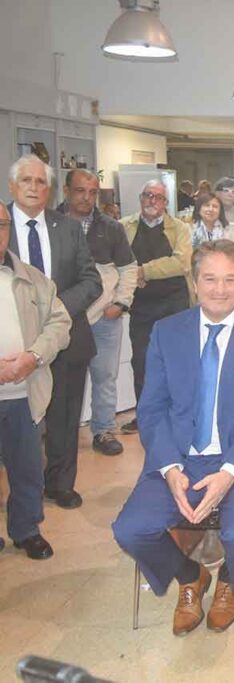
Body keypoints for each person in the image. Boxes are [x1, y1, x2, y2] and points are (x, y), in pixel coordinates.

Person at [111, 239, 234, 636]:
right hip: (182, 456)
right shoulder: (167, 332)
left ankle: (228, 580)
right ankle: (190, 577)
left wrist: (229, 473)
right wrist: (171, 468)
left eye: (230, 279)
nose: (220, 289)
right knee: (131, 529)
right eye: (210, 278)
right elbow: (152, 408)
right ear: (195, 281)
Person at [7, 155, 102, 510]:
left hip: (65, 339)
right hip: (13, 343)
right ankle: (21, 494)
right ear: (13, 186)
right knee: (18, 424)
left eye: (41, 182)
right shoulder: (2, 225)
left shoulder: (68, 227)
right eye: (26, 181)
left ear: (50, 189)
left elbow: (91, 280)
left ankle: (60, 483)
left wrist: (54, 309)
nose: (34, 187)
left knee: (63, 417)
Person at [0, 202, 71, 559]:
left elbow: (60, 323)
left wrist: (32, 357)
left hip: (24, 394)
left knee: (27, 468)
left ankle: (27, 530)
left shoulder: (31, 278)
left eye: (0, 225)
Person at [60, 169, 138, 457]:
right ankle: (59, 435)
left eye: (93, 192)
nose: (87, 197)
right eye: (80, 190)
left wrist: (121, 303)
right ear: (67, 191)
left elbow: (128, 268)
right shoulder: (51, 223)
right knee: (61, 379)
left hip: (105, 318)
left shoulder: (111, 227)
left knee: (105, 376)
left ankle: (103, 430)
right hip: (64, 319)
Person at [120, 180, 193, 435]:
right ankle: (144, 415)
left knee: (175, 362)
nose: (153, 201)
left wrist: (143, 271)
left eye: (159, 197)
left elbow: (181, 263)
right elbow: (118, 261)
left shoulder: (180, 229)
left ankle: (177, 414)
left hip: (175, 304)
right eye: (148, 195)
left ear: (166, 203)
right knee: (140, 361)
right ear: (140, 198)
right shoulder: (124, 226)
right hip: (140, 306)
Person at [191, 192, 234, 294]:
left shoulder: (231, 232)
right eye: (206, 205)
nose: (210, 209)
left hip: (227, 283)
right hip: (199, 287)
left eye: (215, 206)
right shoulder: (189, 231)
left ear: (220, 211)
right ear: (199, 208)